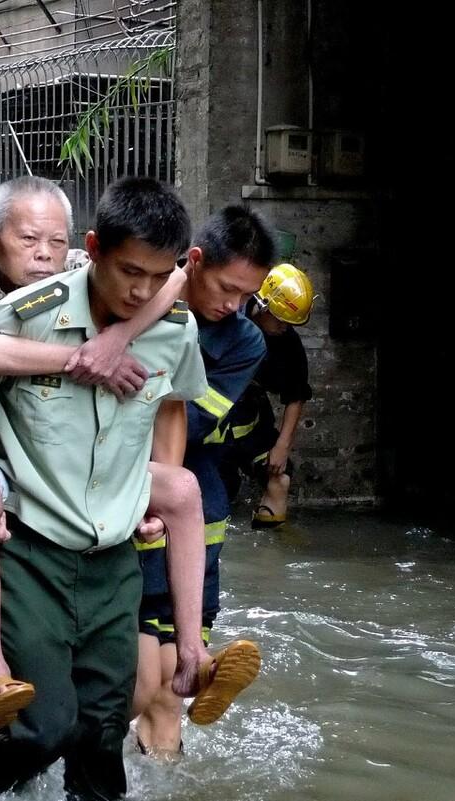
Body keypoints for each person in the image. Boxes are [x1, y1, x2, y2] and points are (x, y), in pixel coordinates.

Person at [0, 176, 213, 799]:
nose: (140, 290)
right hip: (31, 552)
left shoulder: (174, 330)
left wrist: (191, 639)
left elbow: (171, 407)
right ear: (92, 249)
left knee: (100, 733)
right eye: (127, 272)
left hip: (113, 565)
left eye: (157, 275)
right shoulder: (29, 318)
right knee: (46, 726)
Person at [134, 205, 278, 755]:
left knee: (167, 687)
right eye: (226, 287)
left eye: (247, 296)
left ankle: (160, 771)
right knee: (140, 679)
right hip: (123, 505)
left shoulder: (244, 342)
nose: (233, 305)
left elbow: (190, 418)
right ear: (193, 262)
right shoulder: (133, 301)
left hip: (197, 507)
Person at [218, 263, 316, 529]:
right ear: (262, 306)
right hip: (214, 420)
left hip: (252, 414)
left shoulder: (288, 343)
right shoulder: (228, 320)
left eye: (289, 322)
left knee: (278, 475)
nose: (284, 327)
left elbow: (296, 394)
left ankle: (272, 544)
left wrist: (282, 447)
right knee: (216, 490)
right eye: (280, 319)